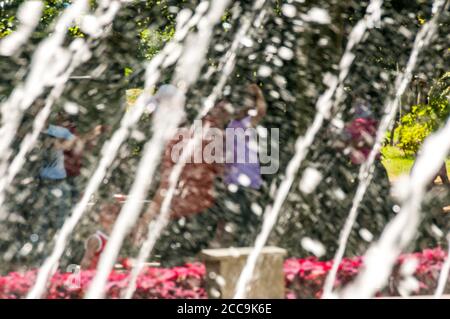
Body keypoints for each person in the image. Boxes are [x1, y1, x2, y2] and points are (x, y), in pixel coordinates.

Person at [80, 202, 121, 270]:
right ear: (100, 218)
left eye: (116, 214)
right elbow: (85, 262)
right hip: (92, 278)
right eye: (110, 213)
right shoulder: (96, 239)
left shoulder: (113, 240)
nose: (114, 217)